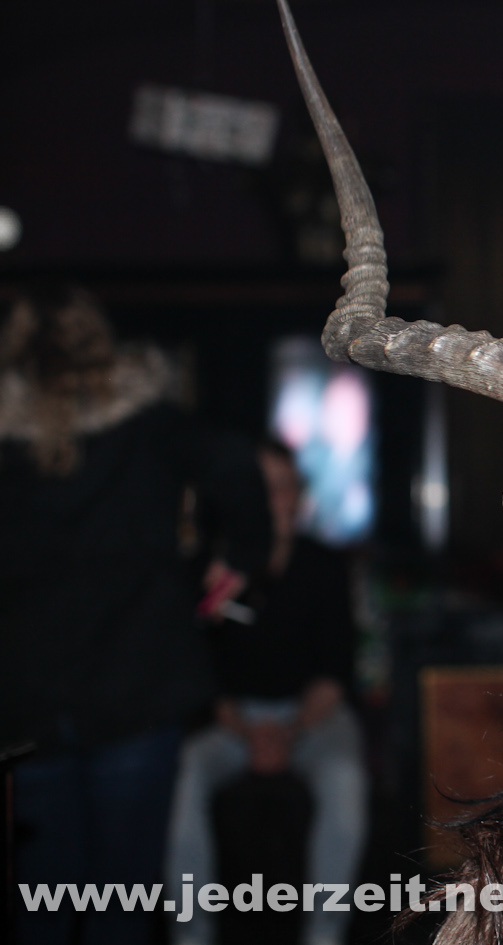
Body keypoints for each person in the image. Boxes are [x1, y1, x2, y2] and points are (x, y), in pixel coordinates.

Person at [0, 288, 268, 945]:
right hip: (137, 681)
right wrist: (238, 558)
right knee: (121, 897)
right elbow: (236, 460)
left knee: (41, 896)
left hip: (26, 693)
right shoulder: (149, 423)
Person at [166, 440, 367, 945]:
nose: (273, 499)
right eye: (261, 487)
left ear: (299, 495)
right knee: (181, 775)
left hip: (312, 716)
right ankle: (191, 934)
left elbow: (336, 671)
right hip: (231, 719)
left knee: (345, 777)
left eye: (283, 486)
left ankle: (324, 934)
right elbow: (197, 669)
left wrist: (291, 730)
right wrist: (247, 730)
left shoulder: (325, 565)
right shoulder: (213, 570)